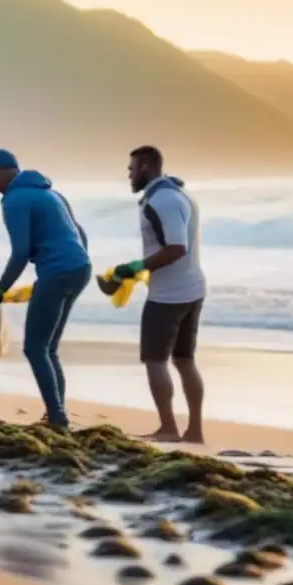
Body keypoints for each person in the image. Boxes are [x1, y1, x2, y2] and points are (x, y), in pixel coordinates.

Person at [0, 148, 91, 431]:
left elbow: (21, 252)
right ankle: (56, 412)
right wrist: (66, 266)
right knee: (49, 347)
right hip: (80, 269)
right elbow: (80, 233)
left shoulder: (14, 200)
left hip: (57, 272)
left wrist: (0, 291)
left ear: (2, 171)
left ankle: (57, 418)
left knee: (34, 347)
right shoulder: (51, 193)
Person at [107, 145, 206, 443]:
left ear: (146, 167)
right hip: (192, 288)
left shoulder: (163, 200)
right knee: (185, 360)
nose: (129, 174)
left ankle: (168, 428)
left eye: (131, 168)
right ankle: (195, 431)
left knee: (155, 360)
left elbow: (176, 248)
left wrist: (136, 266)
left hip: (169, 296)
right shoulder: (180, 193)